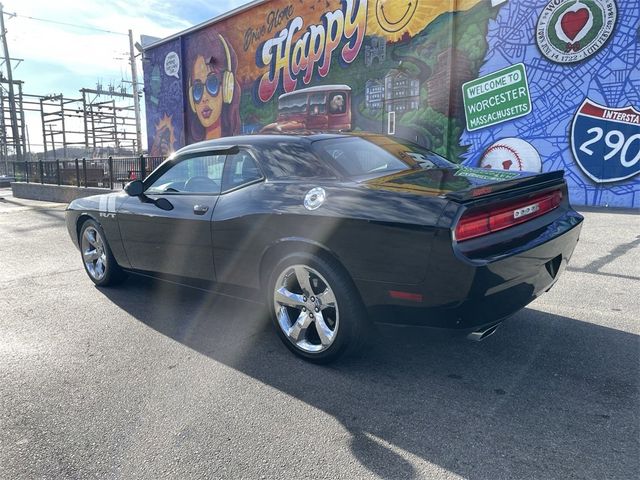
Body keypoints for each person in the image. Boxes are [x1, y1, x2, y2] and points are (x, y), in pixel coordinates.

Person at [185, 30, 241, 142]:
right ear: (192, 98)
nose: (204, 98)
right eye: (197, 89)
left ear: (227, 86)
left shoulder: (236, 143)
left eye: (212, 83)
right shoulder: (191, 148)